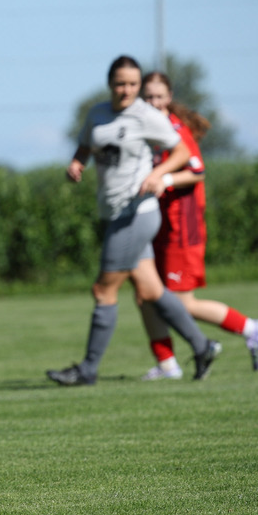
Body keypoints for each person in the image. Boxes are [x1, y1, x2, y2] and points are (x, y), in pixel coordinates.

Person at [46, 55, 221, 386]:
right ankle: (203, 346)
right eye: (120, 83)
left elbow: (183, 152)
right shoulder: (97, 114)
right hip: (113, 213)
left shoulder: (147, 117)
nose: (126, 90)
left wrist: (160, 173)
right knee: (152, 289)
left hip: (136, 214)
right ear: (109, 84)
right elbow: (85, 144)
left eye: (132, 84)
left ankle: (88, 370)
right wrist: (77, 164)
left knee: (103, 289)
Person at [137, 72, 258, 380]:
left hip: (182, 227)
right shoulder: (147, 128)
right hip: (158, 224)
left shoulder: (174, 129)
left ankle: (251, 328)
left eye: (158, 96)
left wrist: (164, 178)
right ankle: (166, 364)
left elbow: (197, 170)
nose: (153, 102)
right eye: (148, 97)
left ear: (169, 97)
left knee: (181, 302)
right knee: (145, 293)